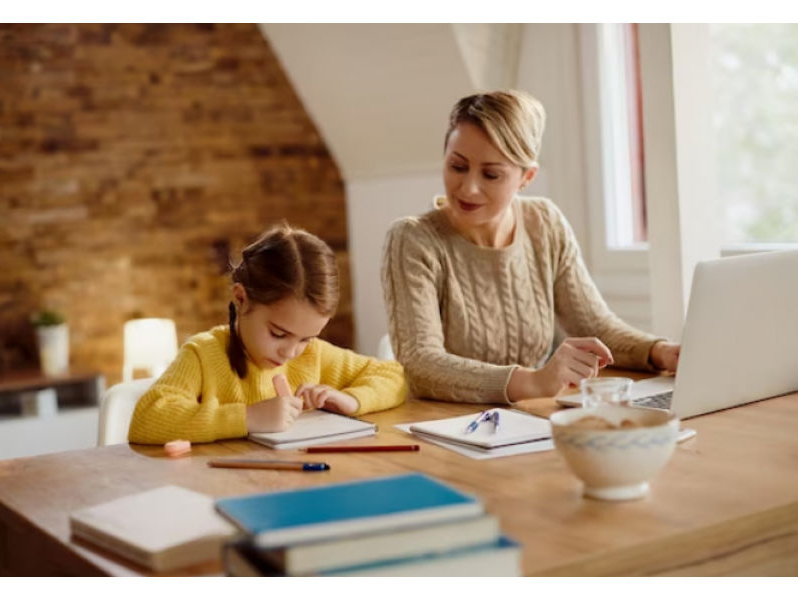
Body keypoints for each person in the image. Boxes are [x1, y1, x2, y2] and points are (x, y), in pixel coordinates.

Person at [381, 90, 680, 404]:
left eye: (491, 174)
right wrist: (533, 382)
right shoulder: (412, 239)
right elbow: (420, 364)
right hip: (444, 426)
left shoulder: (544, 222)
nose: (468, 187)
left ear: (526, 177)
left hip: (526, 420)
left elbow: (594, 326)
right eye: (457, 167)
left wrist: (659, 352)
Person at [129, 223, 406, 445]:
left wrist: (351, 400)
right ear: (240, 298)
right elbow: (147, 418)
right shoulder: (203, 354)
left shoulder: (312, 355)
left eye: (305, 338)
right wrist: (247, 418)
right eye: (278, 334)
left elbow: (394, 377)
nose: (290, 352)